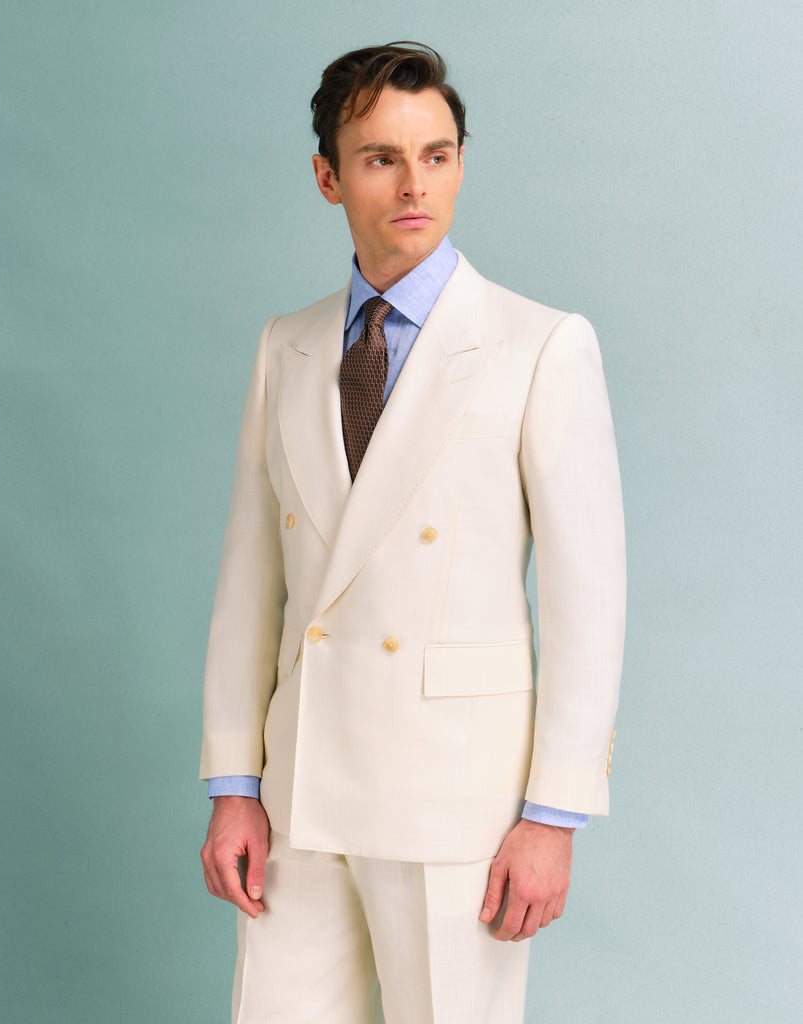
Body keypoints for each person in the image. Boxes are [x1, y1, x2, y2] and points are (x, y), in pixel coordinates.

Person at [199, 41, 625, 1024]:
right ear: (328, 177)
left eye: (436, 155)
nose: (413, 184)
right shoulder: (287, 346)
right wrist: (232, 784)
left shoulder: (539, 346)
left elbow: (586, 601)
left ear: (461, 163)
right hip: (300, 792)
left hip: (455, 802)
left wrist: (553, 813)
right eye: (381, 158)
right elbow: (247, 586)